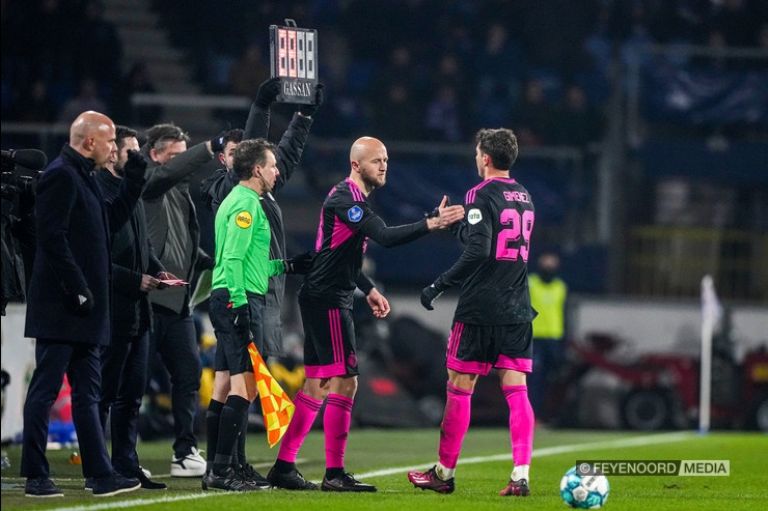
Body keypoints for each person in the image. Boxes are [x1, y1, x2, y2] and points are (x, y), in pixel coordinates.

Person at [266, 136, 465, 492]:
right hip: (328, 300)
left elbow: (335, 253)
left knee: (317, 385)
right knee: (346, 381)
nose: (384, 165)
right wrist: (430, 224)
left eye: (386, 159)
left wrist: (368, 287)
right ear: (356, 165)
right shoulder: (348, 199)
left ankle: (283, 466)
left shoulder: (350, 199)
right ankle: (334, 474)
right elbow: (385, 236)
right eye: (376, 160)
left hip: (324, 295)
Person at [201, 78, 322, 482]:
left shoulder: (246, 200)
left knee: (225, 387)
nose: (278, 170)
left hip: (238, 295)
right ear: (256, 169)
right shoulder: (243, 204)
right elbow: (233, 260)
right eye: (271, 166)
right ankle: (220, 469)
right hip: (238, 300)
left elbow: (251, 260)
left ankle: (220, 467)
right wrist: (236, 303)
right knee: (245, 389)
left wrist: (285, 266)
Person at [21, 111, 146, 497]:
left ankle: (99, 474)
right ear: (88, 141)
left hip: (87, 309)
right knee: (44, 391)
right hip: (63, 307)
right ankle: (36, 476)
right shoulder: (60, 174)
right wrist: (76, 288)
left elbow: (107, 224)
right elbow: (51, 238)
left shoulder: (84, 177)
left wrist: (134, 182)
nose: (113, 149)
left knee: (88, 394)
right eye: (109, 142)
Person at [408, 128, 536, 497]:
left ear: (484, 157)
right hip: (517, 306)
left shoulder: (479, 194)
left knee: (460, 387)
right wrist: (458, 227)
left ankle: (444, 473)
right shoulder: (524, 196)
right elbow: (489, 243)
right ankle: (520, 475)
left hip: (481, 307)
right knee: (517, 389)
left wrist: (439, 284)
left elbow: (480, 252)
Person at [93, 125, 174, 490]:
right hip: (113, 310)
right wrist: (133, 279)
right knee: (105, 394)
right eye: (132, 152)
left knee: (131, 396)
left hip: (140, 313)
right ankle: (97, 465)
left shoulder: (133, 192)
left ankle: (127, 463)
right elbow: (95, 259)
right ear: (113, 154)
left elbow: (142, 245)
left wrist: (156, 269)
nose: (138, 159)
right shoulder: (100, 193)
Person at [141, 123, 221, 477]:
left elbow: (183, 242)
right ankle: (120, 452)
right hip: (146, 300)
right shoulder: (149, 181)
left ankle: (185, 451)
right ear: (155, 155)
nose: (183, 165)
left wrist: (209, 260)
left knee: (188, 374)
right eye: (176, 157)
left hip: (179, 303)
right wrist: (209, 147)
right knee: (131, 382)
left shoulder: (182, 193)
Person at [527, 251, 567, 421]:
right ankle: (532, 416)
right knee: (534, 379)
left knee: (553, 380)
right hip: (535, 338)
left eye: (552, 265)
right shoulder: (531, 283)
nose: (549, 269)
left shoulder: (560, 287)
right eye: (546, 265)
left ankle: (550, 415)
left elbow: (564, 313)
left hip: (554, 339)